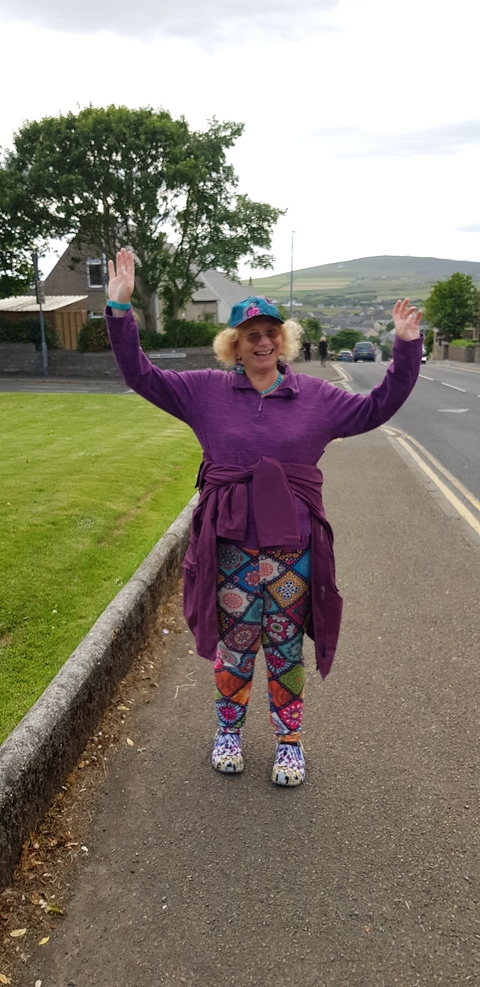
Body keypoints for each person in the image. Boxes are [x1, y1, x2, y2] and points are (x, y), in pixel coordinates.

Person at [106, 248, 423, 787]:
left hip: (290, 549)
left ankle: (289, 742)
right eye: (251, 333)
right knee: (235, 644)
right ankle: (228, 732)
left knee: (282, 646)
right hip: (230, 546)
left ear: (284, 339)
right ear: (234, 343)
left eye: (271, 332)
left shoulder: (316, 397)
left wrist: (406, 348)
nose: (262, 341)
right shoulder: (204, 391)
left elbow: (377, 407)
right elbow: (141, 375)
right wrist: (118, 309)